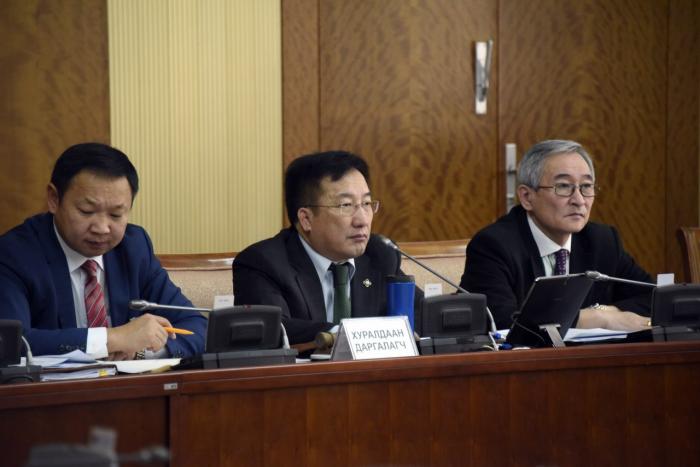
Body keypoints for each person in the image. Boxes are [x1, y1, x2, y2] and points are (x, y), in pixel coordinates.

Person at [0, 143, 206, 359]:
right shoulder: (15, 254)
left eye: (116, 215)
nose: (101, 228)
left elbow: (195, 326)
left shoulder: (134, 248)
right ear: (54, 199)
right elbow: (10, 342)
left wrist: (141, 352)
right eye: (86, 211)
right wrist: (112, 339)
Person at [461, 139, 653, 331]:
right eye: (563, 186)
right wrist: (593, 319)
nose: (579, 200)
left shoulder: (602, 240)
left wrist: (604, 311)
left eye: (586, 186)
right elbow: (500, 321)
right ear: (527, 197)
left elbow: (654, 297)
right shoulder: (493, 245)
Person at [233, 150, 421, 344]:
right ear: (306, 219)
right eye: (346, 205)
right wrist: (344, 334)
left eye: (366, 203)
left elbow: (421, 314)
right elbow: (271, 329)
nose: (362, 220)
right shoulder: (264, 263)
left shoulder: (380, 254)